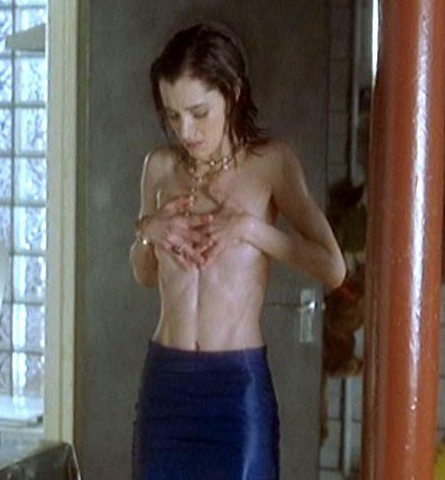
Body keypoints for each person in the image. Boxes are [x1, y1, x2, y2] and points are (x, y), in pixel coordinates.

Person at [129, 24, 346, 479]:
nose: (186, 130)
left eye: (199, 112)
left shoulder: (271, 164)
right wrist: (149, 231)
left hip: (236, 387)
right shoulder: (159, 168)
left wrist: (251, 229)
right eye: (173, 116)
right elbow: (145, 275)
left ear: (233, 93)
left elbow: (333, 267)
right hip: (166, 382)